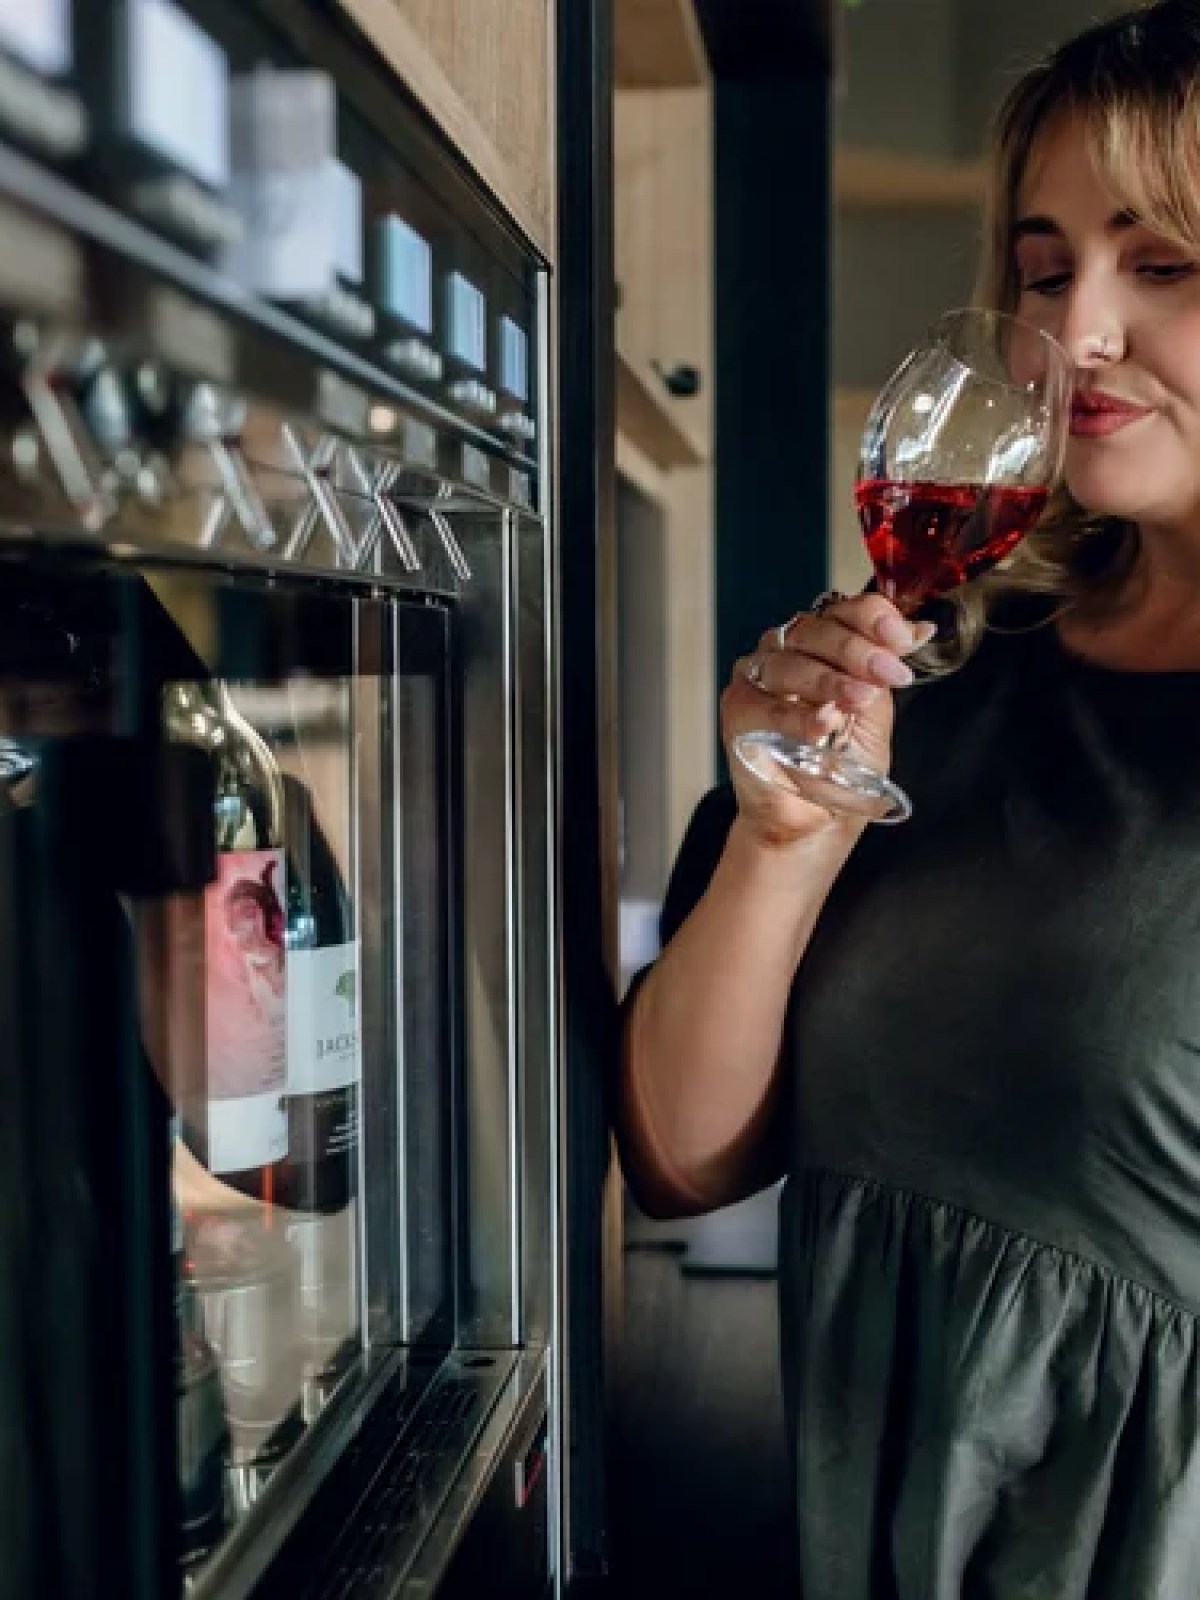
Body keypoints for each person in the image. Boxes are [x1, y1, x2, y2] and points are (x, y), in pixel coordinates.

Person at [617, 4, 1200, 1595]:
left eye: (1162, 265)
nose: (1080, 331)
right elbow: (681, 1162)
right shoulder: (943, 680)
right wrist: (778, 845)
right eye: (1043, 269)